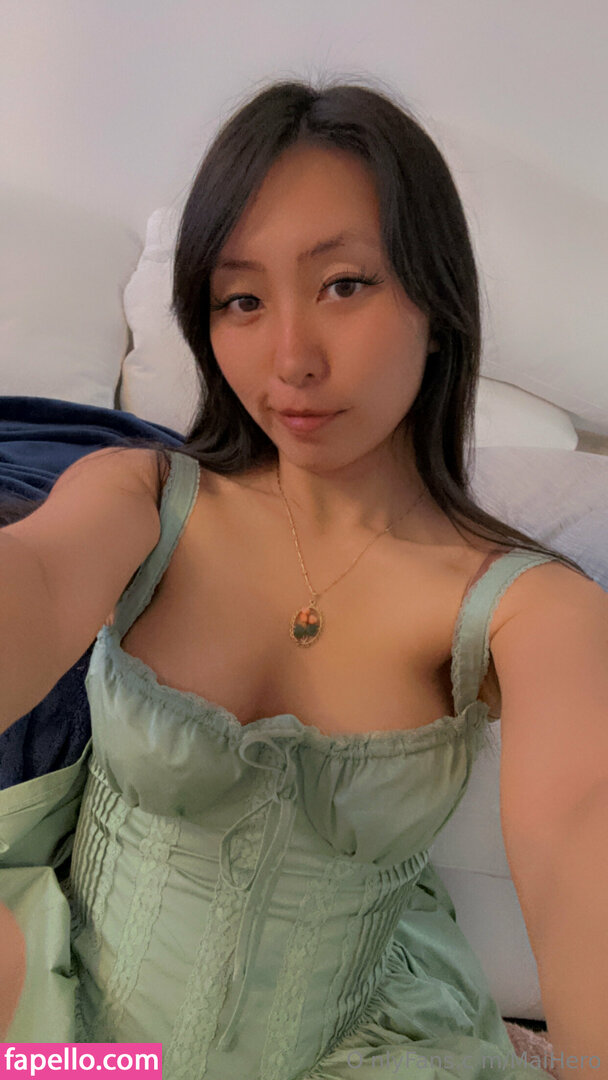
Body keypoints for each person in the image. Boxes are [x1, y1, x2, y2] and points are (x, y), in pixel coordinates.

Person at [1, 77, 606, 1079]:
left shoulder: (526, 610)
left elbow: (580, 843)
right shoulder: (140, 497)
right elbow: (32, 579)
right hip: (80, 1047)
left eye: (343, 285)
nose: (290, 360)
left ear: (436, 301)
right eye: (241, 300)